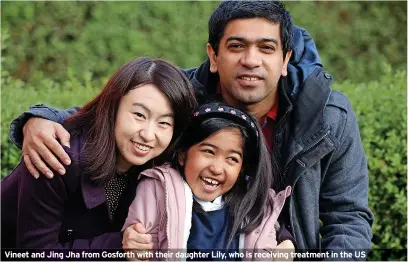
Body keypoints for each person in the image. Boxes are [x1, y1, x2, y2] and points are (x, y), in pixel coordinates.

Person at [8, 1, 374, 252]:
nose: (251, 60)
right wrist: (40, 119)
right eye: (236, 46)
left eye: (266, 48)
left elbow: (349, 216)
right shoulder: (185, 98)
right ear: (214, 56)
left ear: (284, 59)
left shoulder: (329, 116)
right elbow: (116, 110)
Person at [1, 57, 197, 249]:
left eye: (164, 123)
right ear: (113, 107)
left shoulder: (156, 166)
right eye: (139, 115)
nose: (148, 134)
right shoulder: (57, 155)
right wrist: (117, 245)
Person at [121, 103, 293, 259]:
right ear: (182, 155)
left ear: (242, 169)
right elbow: (140, 249)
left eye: (232, 159)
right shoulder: (158, 190)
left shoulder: (255, 206)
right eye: (209, 152)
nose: (217, 169)